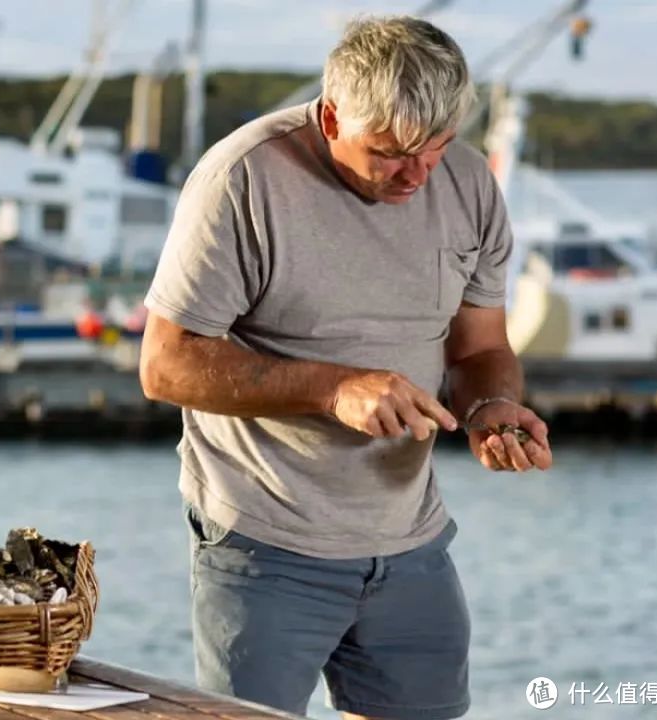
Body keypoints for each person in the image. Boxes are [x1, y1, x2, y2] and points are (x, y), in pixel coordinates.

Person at [138, 15, 553, 720]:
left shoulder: (466, 182)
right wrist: (333, 390)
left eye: (438, 147)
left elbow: (481, 350)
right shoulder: (240, 180)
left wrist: (491, 411)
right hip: (263, 540)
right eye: (390, 152)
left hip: (411, 542)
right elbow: (166, 365)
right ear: (331, 116)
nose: (417, 176)